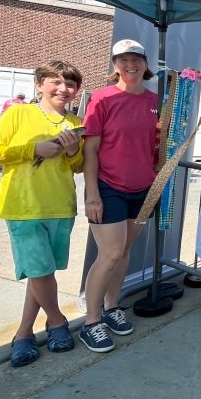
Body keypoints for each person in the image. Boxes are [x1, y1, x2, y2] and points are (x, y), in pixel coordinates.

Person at [0, 61, 84, 368]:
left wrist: (73, 150)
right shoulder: (18, 113)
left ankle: (24, 332)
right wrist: (33, 149)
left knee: (42, 273)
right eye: (56, 82)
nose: (64, 89)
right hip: (22, 206)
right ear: (39, 84)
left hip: (61, 206)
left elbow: (77, 167)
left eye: (70, 84)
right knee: (39, 271)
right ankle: (57, 320)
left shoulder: (77, 122)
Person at [80, 39, 159, 353]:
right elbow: (91, 150)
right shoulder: (102, 99)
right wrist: (92, 194)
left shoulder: (156, 100)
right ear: (115, 65)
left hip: (143, 189)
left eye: (136, 59)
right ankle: (91, 321)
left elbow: (156, 145)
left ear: (145, 64)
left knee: (124, 250)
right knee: (110, 254)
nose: (130, 65)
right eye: (123, 60)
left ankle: (113, 307)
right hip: (109, 187)